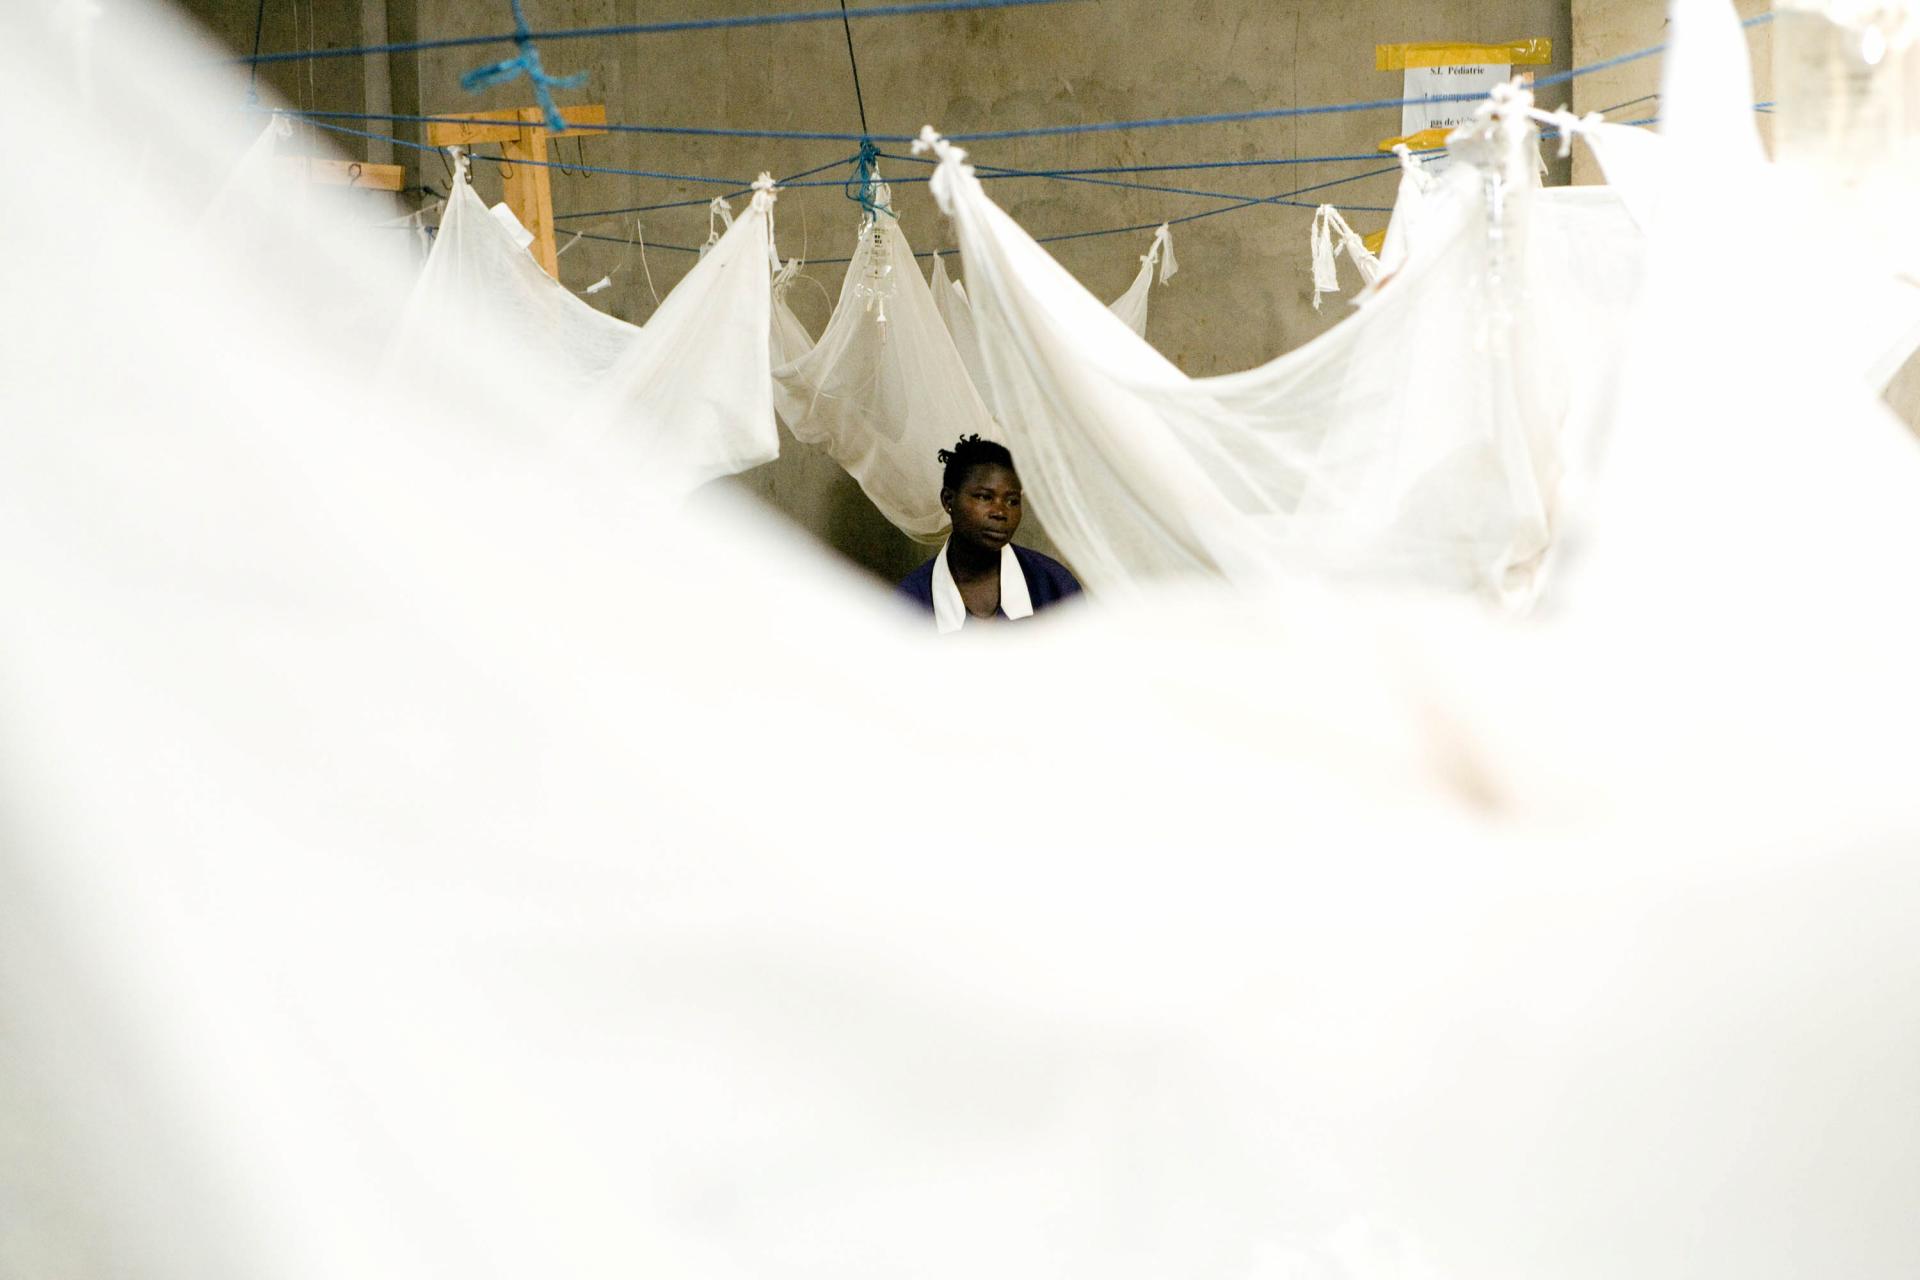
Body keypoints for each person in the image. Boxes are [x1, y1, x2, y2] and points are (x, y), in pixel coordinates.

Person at [897, 434, 1081, 631]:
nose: (1001, 512)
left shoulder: (1055, 585)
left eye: (1012, 501)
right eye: (985, 497)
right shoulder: (910, 602)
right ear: (948, 500)